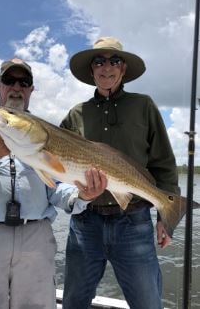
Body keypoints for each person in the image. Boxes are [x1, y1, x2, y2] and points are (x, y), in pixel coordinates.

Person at [0, 57, 106, 309]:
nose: (16, 87)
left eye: (24, 82)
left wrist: (81, 197)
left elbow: (56, 187)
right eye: (9, 80)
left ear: (31, 90)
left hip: (36, 237)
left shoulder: (44, 132)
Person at [60, 37, 181, 309]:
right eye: (99, 61)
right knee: (73, 303)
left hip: (133, 223)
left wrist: (166, 216)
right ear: (91, 70)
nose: (106, 67)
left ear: (123, 68)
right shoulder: (75, 114)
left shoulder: (144, 105)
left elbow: (163, 163)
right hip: (85, 224)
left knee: (148, 303)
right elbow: (57, 165)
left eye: (114, 60)